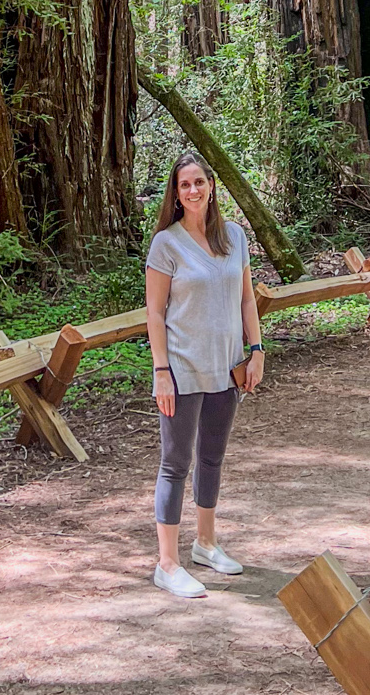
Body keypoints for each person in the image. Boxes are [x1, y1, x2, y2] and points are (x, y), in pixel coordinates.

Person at [144, 151, 264, 598]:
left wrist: (257, 351)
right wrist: (161, 372)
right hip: (181, 369)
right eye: (183, 185)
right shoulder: (167, 244)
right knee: (175, 464)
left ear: (211, 186)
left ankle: (206, 543)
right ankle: (168, 563)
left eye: (198, 182)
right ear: (175, 195)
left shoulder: (235, 237)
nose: (192, 190)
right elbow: (155, 313)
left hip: (227, 368)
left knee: (212, 457)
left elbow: (247, 300)